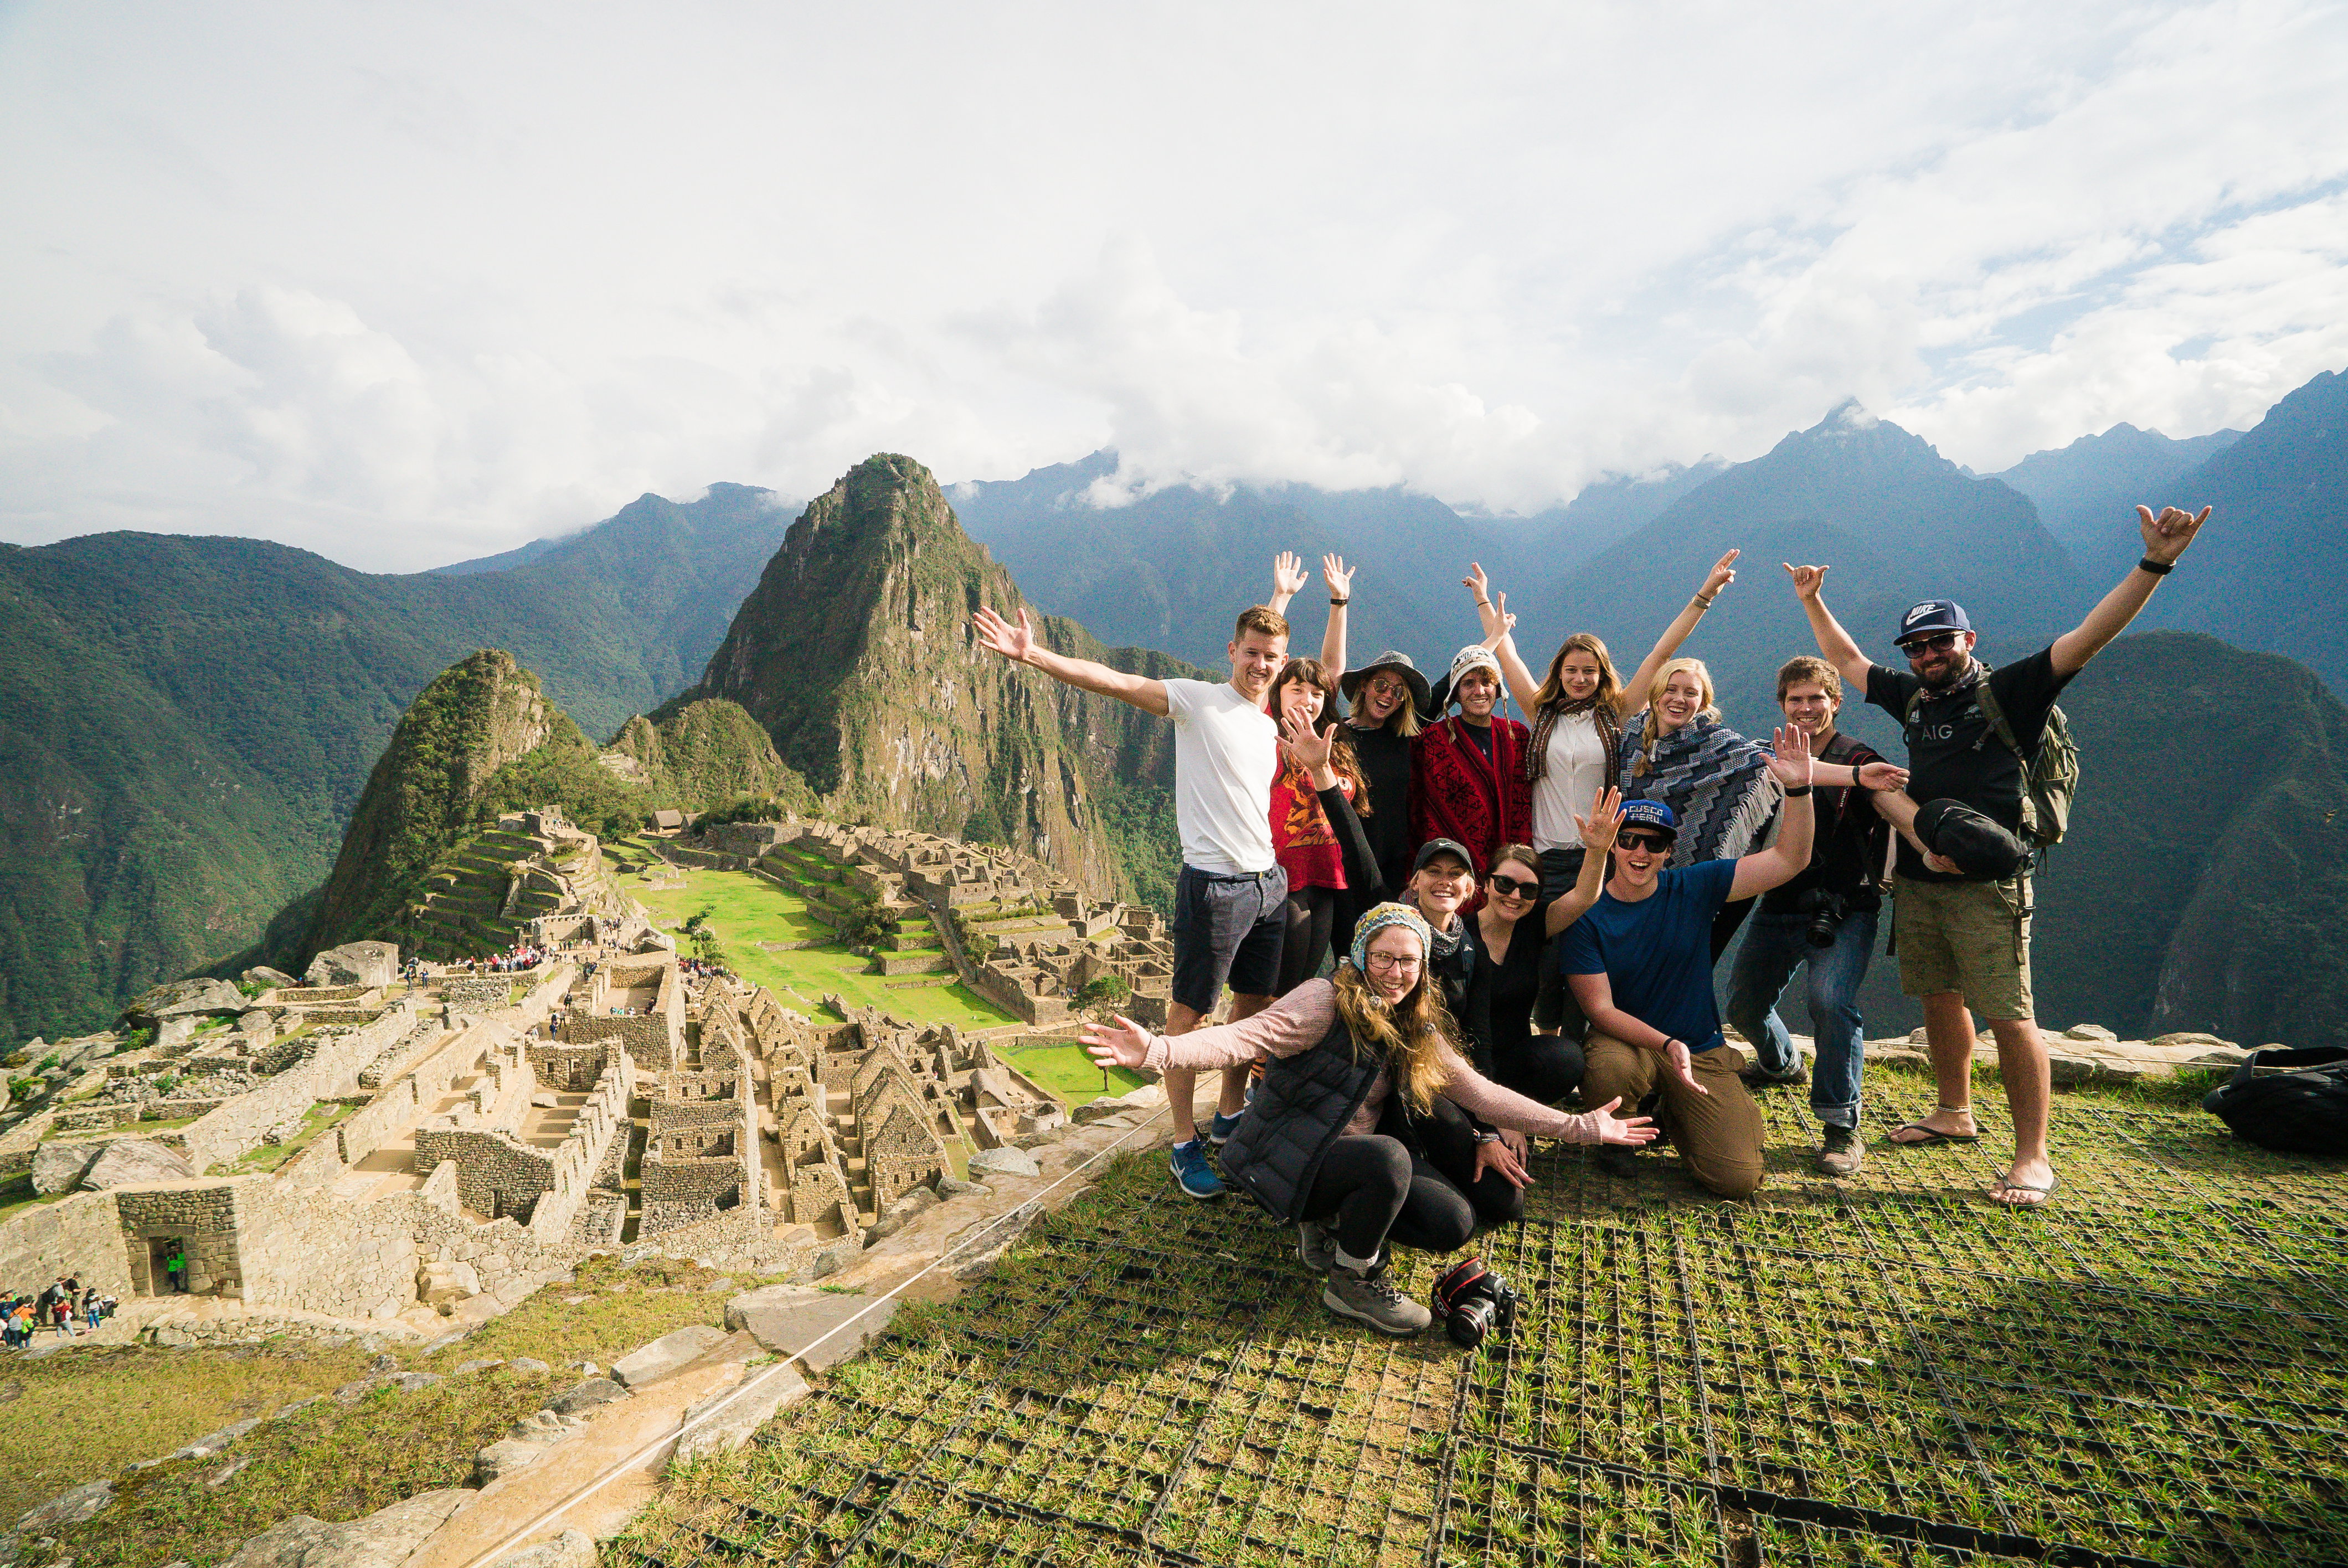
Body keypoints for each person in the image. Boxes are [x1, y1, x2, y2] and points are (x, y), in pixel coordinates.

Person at [1784, 501, 2213, 1207]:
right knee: (1938, 995)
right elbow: (1846, 662)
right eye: (1916, 647)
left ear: (1967, 639)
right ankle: (1953, 1110)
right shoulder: (1915, 701)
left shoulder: (2011, 692)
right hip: (1921, 875)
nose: (1926, 655)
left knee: (2011, 1015)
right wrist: (1813, 601)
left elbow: (2088, 637)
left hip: (1990, 881)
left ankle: (2032, 1155)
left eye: (1938, 643)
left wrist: (2155, 562)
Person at [1080, 901, 1655, 1334]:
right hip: (1282, 1158)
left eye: (1408, 961)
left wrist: (1580, 1127)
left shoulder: (1414, 1025)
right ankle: (1350, 1280)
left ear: (1422, 967)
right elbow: (1239, 1038)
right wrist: (1157, 1050)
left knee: (1452, 1223)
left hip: (1340, 1162)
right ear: (1360, 957)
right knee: (1387, 1158)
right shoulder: (1321, 1002)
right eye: (1382, 957)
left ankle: (1330, 1225)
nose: (1395, 971)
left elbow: (1481, 1094)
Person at [973, 592, 1288, 1200]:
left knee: (1251, 1006)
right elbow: (1118, 682)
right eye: (1251, 653)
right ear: (1231, 652)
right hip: (1214, 888)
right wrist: (1034, 655)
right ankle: (1181, 1141)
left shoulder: (1268, 719)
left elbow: (1274, 652)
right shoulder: (1198, 701)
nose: (1261, 664)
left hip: (1266, 883)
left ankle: (1227, 1112)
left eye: (1271, 656)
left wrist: (1280, 600)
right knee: (1189, 1018)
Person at [1559, 726, 1819, 1199]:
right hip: (1629, 1043)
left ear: (1668, 851)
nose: (1640, 852)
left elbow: (1789, 860)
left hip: (1701, 1049)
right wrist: (1667, 1042)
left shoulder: (1695, 887)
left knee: (1736, 1179)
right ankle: (1618, 1135)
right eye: (1630, 840)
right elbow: (1600, 1011)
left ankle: (1675, 1114)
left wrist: (1799, 790)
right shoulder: (1586, 913)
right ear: (1613, 844)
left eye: (1654, 844)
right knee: (1611, 1067)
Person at [1725, 657, 1909, 1175]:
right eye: (1795, 700)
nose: (1806, 709)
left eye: (1816, 699)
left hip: (1845, 906)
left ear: (1836, 702)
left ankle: (1840, 1126)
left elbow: (1894, 805)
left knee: (1831, 1002)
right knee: (1744, 1004)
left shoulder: (1860, 759)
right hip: (1780, 900)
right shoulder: (1775, 755)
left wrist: (1930, 843)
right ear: (1782, 704)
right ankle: (1782, 1062)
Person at [1466, 550, 1741, 896]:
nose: (1580, 679)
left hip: (1597, 859)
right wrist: (1482, 600)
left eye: (1589, 671)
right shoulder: (1540, 713)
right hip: (1540, 857)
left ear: (1602, 674)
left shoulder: (1617, 714)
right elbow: (1506, 653)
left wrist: (1705, 596)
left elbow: (1662, 654)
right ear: (1559, 673)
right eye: (1572, 671)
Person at [1265, 657, 1369, 994]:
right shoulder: (1267, 734)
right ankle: (1261, 1047)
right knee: (1280, 987)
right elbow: (1253, 671)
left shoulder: (1333, 745)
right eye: (1296, 690)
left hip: (1328, 876)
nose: (1307, 700)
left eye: (1317, 693)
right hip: (1287, 876)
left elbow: (1333, 670)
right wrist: (1280, 600)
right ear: (1277, 692)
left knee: (1304, 983)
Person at [1410, 644, 1530, 878]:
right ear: (1455, 692)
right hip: (1451, 869)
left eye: (1487, 682)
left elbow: (1524, 805)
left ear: (1498, 689)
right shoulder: (1434, 740)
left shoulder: (1517, 736)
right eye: (1468, 683)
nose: (1479, 690)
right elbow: (1422, 810)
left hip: (1509, 869)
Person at [1336, 651, 1432, 897]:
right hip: (1343, 864)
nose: (1389, 695)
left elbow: (1449, 683)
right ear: (1364, 685)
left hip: (1391, 869)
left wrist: (1495, 639)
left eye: (1399, 691)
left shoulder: (1405, 739)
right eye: (1382, 685)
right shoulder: (1336, 736)